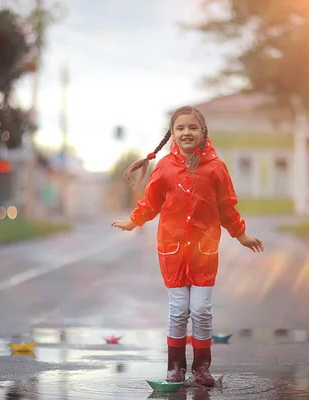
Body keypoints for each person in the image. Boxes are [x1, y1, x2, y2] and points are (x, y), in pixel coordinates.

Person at [111, 106, 264, 387]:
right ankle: (175, 367)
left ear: (203, 132)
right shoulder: (165, 168)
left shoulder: (216, 167)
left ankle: (202, 367)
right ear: (172, 133)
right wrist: (134, 222)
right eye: (180, 128)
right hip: (173, 251)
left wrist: (241, 235)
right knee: (179, 310)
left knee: (202, 310)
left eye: (192, 127)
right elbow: (151, 202)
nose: (186, 132)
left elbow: (226, 206)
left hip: (204, 252)